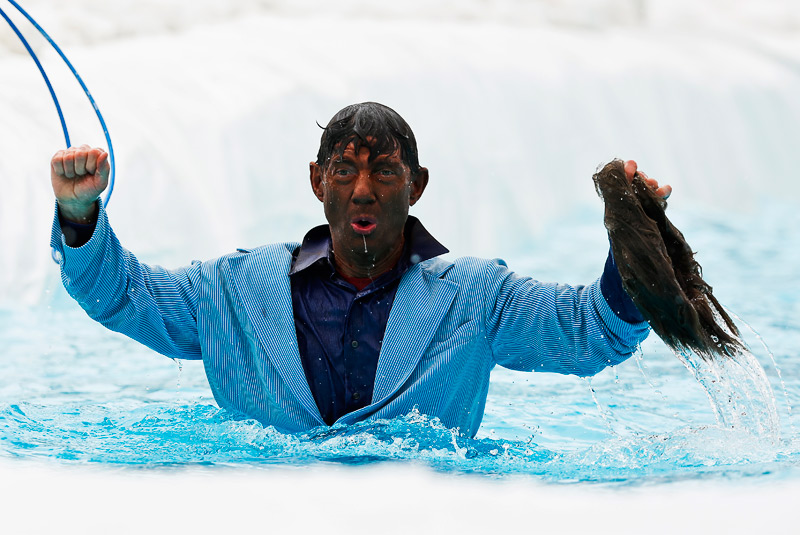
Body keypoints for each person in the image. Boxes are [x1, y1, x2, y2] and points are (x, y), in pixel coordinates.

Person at [50, 102, 670, 438]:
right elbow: (126, 296)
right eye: (345, 171)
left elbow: (589, 331)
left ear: (417, 186)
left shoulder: (477, 298)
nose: (364, 191)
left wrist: (633, 245)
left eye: (386, 173)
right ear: (318, 182)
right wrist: (80, 215)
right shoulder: (236, 291)